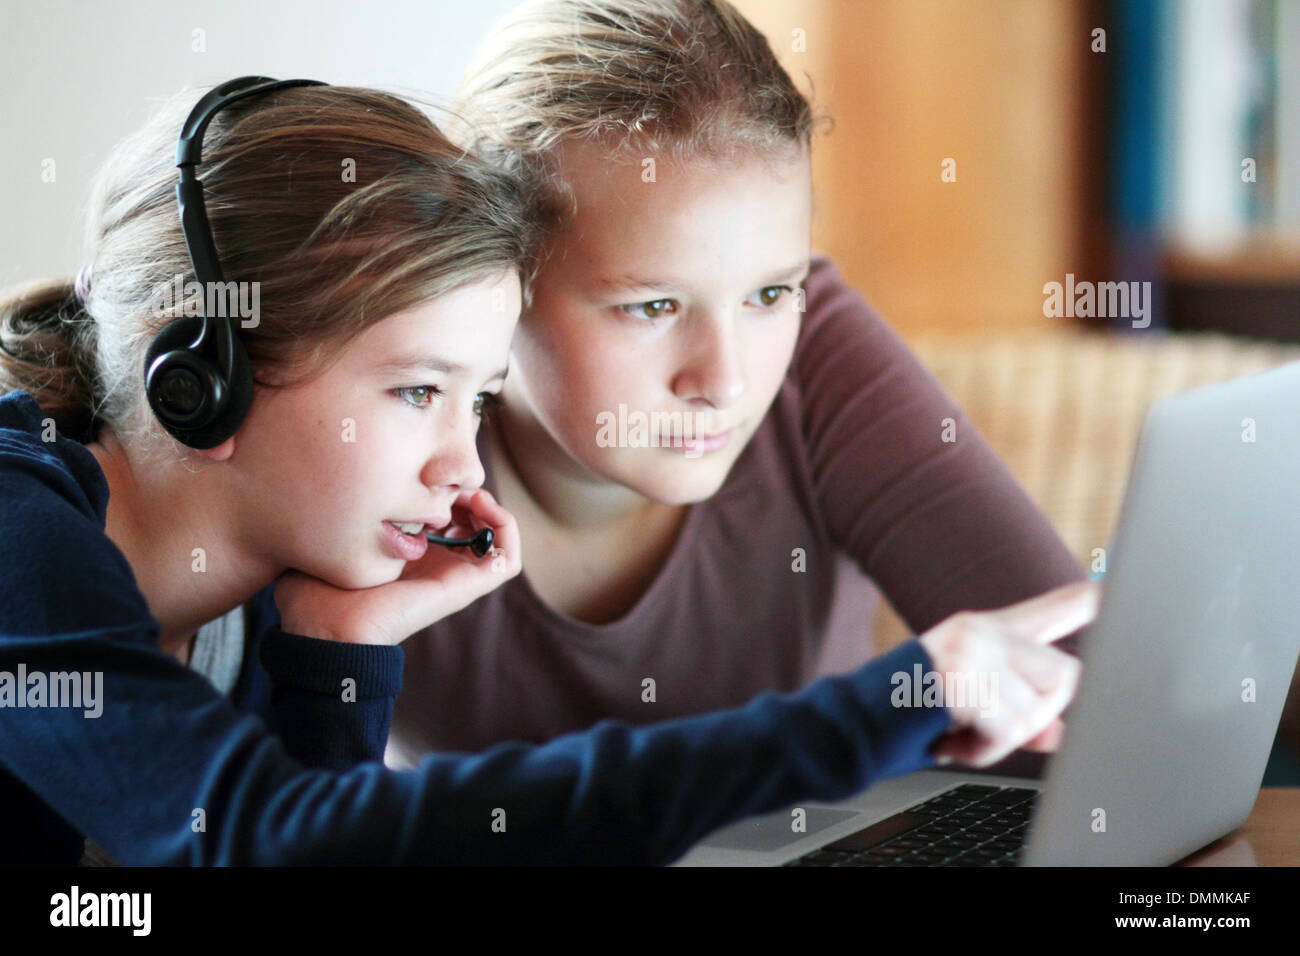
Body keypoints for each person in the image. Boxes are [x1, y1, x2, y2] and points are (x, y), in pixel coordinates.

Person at [0, 78, 1096, 866]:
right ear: (204, 379)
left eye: (476, 399)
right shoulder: (18, 531)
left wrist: (343, 652)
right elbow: (264, 835)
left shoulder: (261, 599)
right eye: (416, 390)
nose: (460, 462)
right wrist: (866, 710)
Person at [384, 0, 1094, 770]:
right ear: (495, 278)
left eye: (768, 295)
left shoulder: (817, 348)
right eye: (651, 306)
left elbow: (1092, 701)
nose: (725, 381)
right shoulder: (377, 415)